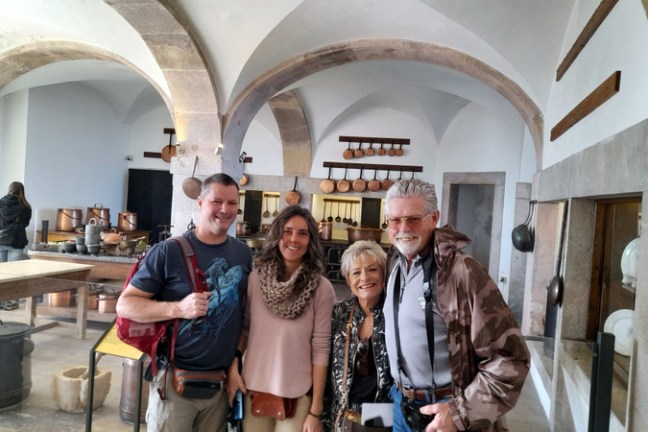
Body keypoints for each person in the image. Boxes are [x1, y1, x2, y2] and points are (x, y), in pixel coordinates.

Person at [382, 179, 530, 432]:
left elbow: (511, 358)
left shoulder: (461, 271)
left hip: (445, 409)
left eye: (414, 218)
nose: (403, 228)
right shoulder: (395, 264)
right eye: (395, 220)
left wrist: (460, 414)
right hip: (401, 405)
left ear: (434, 218)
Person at [116, 173, 253, 432]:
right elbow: (125, 305)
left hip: (220, 384)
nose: (225, 210)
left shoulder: (242, 253)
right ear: (201, 202)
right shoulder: (168, 251)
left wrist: (236, 363)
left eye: (232, 203)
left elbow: (241, 316)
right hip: (174, 384)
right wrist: (178, 308)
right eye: (216, 202)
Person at [227, 205, 335, 432]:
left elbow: (321, 348)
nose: (294, 239)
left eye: (302, 233)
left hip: (298, 396)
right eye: (287, 231)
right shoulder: (256, 279)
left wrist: (316, 409)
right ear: (277, 235)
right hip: (253, 391)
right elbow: (245, 329)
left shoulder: (322, 288)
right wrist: (234, 366)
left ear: (311, 241)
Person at [325, 240, 393, 431]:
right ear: (348, 279)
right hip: (343, 419)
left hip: (385, 419)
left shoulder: (395, 312)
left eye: (372, 269)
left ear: (383, 274)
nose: (364, 278)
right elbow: (325, 363)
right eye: (356, 272)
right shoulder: (338, 314)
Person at [0, 181, 32, 310]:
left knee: (1, 274)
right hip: (17, 240)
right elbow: (25, 223)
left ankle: (1, 301)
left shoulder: (0, 203)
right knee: (15, 274)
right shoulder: (25, 206)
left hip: (0, 241)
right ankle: (11, 302)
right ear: (21, 192)